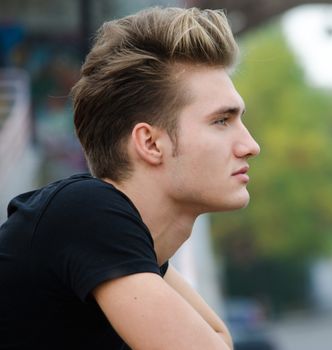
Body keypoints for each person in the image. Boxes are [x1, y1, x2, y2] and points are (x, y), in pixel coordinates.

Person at [0, 7, 260, 350]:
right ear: (150, 143)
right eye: (221, 121)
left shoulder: (126, 251)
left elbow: (219, 341)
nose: (250, 146)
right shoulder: (86, 212)